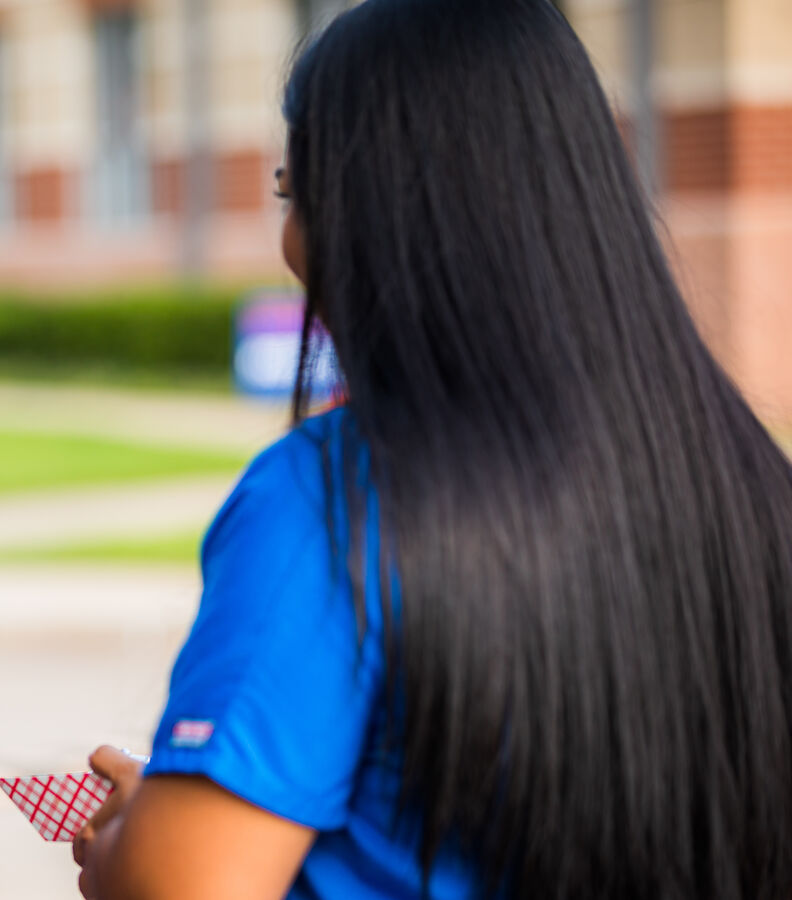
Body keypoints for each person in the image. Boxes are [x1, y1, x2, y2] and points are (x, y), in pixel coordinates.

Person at [73, 1, 792, 898]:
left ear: (372, 211)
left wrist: (126, 850)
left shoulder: (331, 499)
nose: (293, 242)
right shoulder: (751, 481)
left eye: (296, 193)